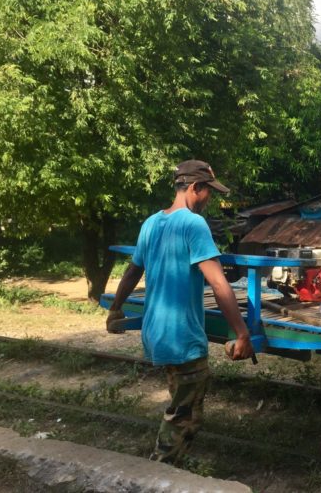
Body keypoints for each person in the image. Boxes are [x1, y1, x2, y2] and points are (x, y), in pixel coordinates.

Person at [107, 159, 253, 465]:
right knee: (182, 417)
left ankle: (172, 469)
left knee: (184, 404)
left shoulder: (151, 223)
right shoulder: (193, 224)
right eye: (208, 192)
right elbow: (217, 281)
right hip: (181, 336)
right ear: (195, 188)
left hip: (156, 332)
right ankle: (159, 473)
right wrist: (242, 332)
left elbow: (133, 272)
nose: (209, 199)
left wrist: (115, 308)